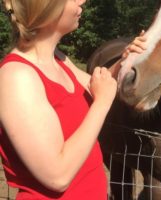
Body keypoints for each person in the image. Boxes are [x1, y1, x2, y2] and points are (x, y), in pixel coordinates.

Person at [0, 0, 147, 199]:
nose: (82, 1)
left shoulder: (58, 59)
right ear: (47, 7)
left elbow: (102, 85)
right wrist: (102, 103)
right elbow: (57, 176)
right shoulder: (16, 77)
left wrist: (127, 59)